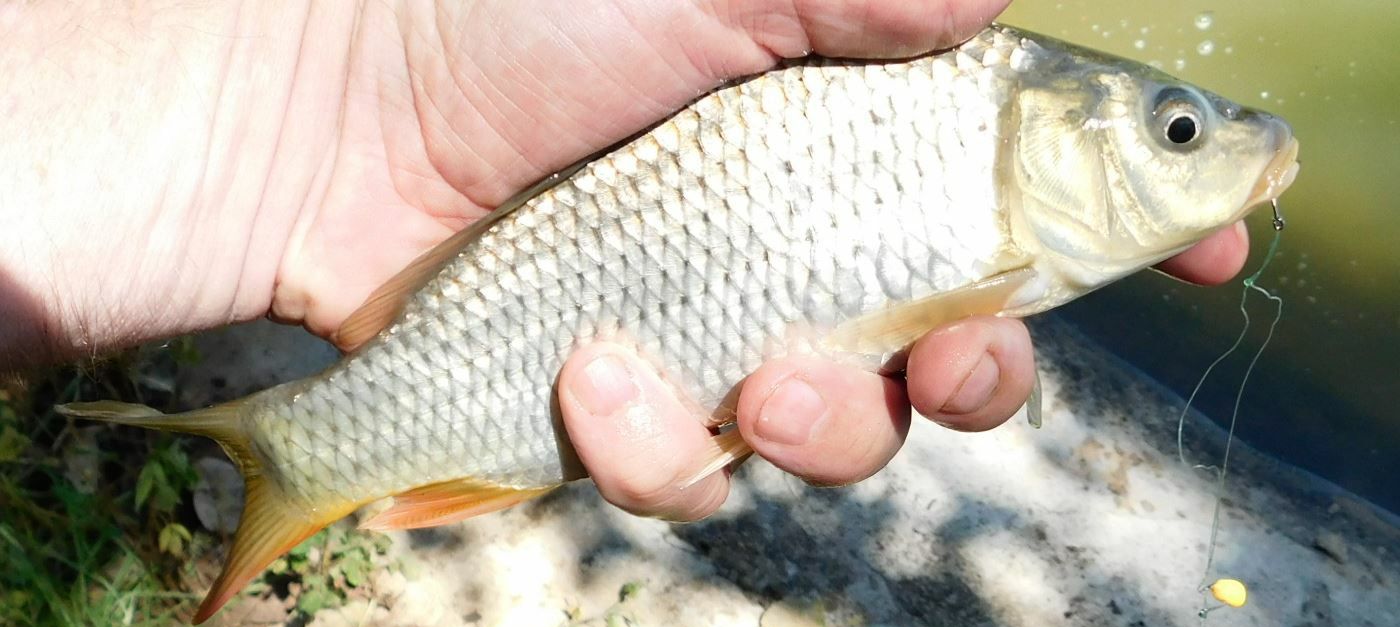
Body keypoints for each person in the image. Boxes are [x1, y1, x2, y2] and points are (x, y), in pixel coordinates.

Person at [0, 0, 1248, 521]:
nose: (1200, 145)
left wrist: (324, 87)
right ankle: (311, 451)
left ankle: (321, 451)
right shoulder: (976, 101)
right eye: (1175, 130)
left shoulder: (985, 115)